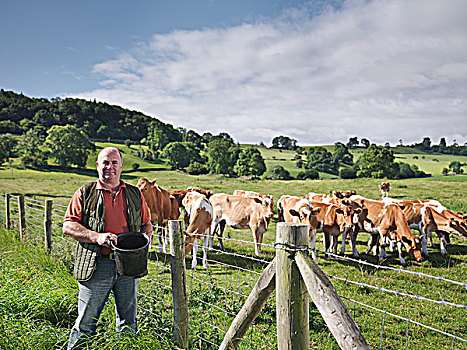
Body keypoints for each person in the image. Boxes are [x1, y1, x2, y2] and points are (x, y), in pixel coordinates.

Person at [63, 147, 153, 349]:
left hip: (129, 266)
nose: (109, 167)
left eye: (114, 163)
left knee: (128, 323)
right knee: (86, 323)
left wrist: (146, 240)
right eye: (105, 162)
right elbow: (68, 225)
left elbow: (146, 224)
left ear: (121, 166)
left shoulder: (134, 193)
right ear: (97, 165)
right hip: (97, 265)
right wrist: (96, 237)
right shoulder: (85, 193)